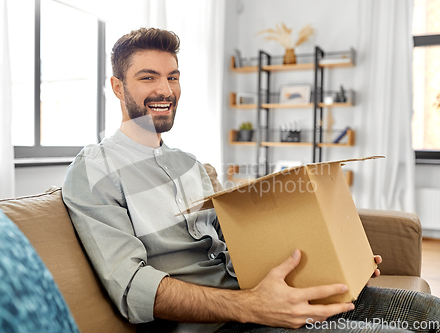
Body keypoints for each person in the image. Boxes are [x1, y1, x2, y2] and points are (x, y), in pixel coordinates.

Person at [62, 28, 440, 333]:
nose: (165, 90)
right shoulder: (93, 170)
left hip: (270, 298)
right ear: (117, 86)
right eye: (148, 77)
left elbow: (241, 243)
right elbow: (131, 287)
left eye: (172, 77)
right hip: (225, 323)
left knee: (431, 313)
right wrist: (254, 307)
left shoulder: (189, 164)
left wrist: (336, 257)